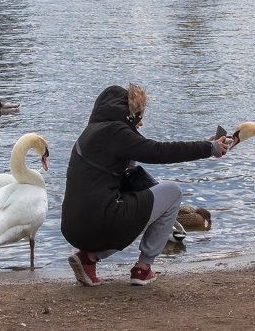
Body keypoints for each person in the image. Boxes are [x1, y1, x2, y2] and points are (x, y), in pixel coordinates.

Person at [61, 83, 228, 286]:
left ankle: (88, 258)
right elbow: (159, 151)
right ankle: (143, 268)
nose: (140, 124)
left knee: (140, 202)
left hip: (72, 227)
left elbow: (133, 158)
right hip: (100, 223)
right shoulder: (117, 133)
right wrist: (210, 148)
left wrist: (206, 144)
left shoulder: (90, 134)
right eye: (138, 117)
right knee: (173, 192)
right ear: (128, 114)